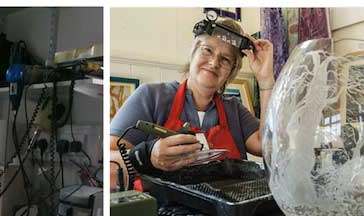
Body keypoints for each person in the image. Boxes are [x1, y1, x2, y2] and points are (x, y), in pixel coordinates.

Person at [110, 15, 275, 190]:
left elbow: (267, 147)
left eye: (225, 59)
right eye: (207, 50)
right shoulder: (151, 96)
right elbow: (108, 162)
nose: (214, 63)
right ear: (193, 52)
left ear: (231, 72)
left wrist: (265, 80)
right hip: (160, 213)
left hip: (225, 212)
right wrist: (146, 156)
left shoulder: (234, 109)